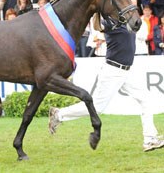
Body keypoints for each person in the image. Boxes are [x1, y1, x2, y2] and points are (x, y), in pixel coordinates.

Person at [48, 17, 164, 152]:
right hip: (113, 71)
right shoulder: (109, 23)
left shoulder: (126, 21)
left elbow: (135, 23)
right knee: (97, 108)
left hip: (127, 70)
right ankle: (59, 114)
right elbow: (102, 23)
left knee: (145, 100)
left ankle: (150, 139)